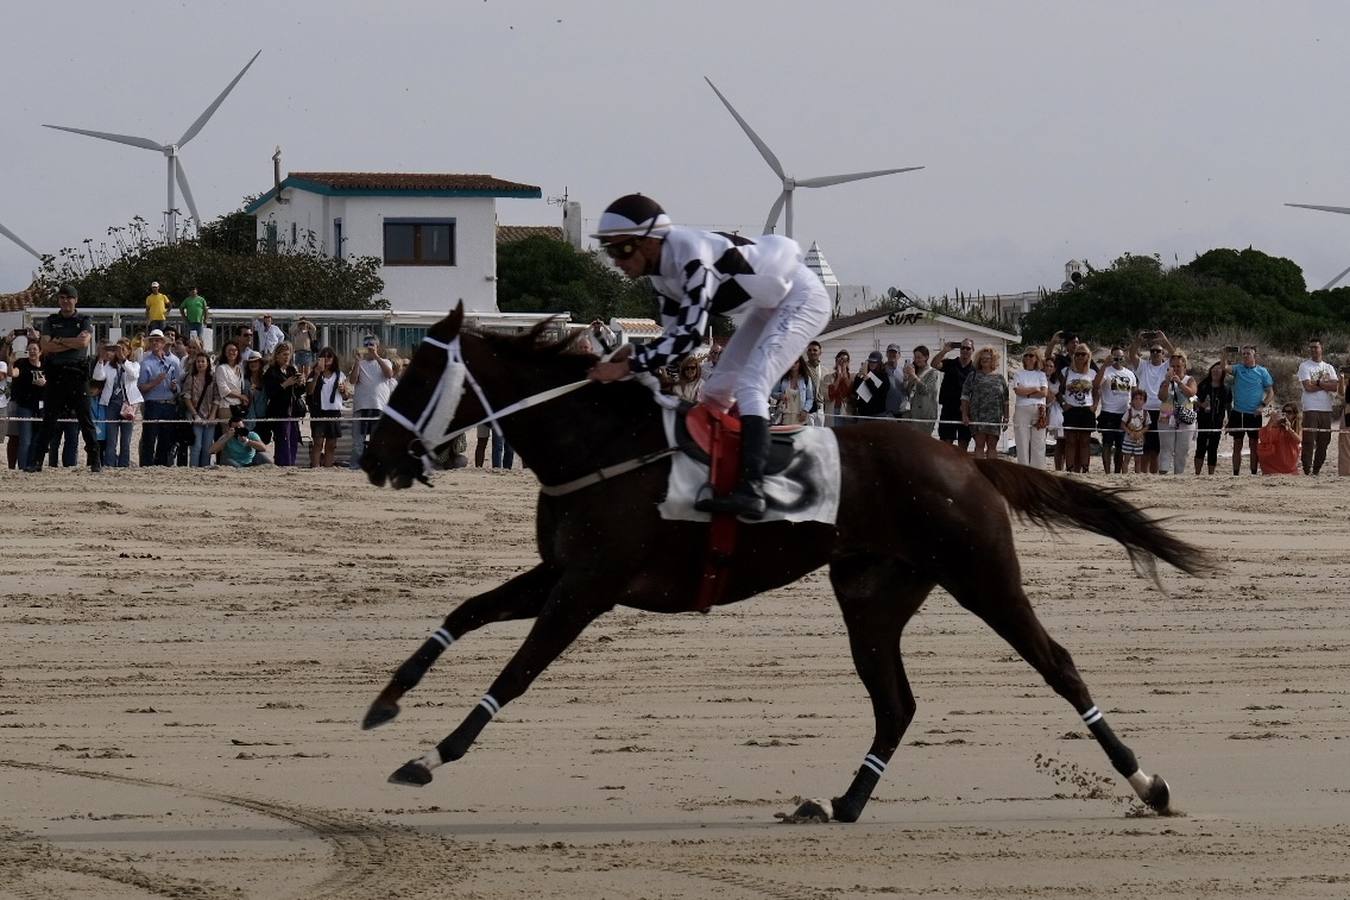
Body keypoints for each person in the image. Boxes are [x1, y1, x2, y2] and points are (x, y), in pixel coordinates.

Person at [586, 194, 832, 519]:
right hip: (769, 305)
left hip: (803, 298)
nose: (615, 260)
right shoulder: (662, 276)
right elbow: (678, 343)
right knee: (715, 392)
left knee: (752, 385)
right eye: (610, 250)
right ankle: (710, 473)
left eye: (621, 249)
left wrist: (629, 366)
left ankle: (752, 489)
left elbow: (688, 335)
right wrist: (636, 353)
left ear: (650, 241)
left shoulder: (691, 254)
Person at [26, 284, 100, 472]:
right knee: (49, 420)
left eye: (69, 298)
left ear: (76, 300)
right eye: (62, 298)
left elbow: (83, 342)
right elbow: (46, 346)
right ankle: (36, 461)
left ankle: (95, 460)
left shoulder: (84, 320)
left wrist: (58, 340)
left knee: (86, 420)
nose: (66, 301)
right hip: (57, 374)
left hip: (77, 374)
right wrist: (70, 343)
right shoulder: (51, 321)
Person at [1224, 345, 1275, 476]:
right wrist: (1223, 353)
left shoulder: (1262, 372)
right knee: (1237, 444)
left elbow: (1270, 392)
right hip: (1238, 412)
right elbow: (1224, 367)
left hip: (1254, 414)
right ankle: (1236, 473)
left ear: (1254, 356)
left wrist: (1263, 406)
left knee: (1253, 444)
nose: (1245, 356)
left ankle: (1253, 473)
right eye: (1244, 354)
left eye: (1248, 354)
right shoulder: (1238, 369)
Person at [1129, 331, 1173, 475]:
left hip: (1162, 409)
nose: (1155, 353)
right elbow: (1132, 354)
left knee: (1157, 448)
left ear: (1162, 353)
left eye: (1158, 351)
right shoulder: (1143, 366)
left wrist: (1165, 341)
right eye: (1153, 351)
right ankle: (1143, 474)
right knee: (1143, 447)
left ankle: (1154, 476)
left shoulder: (1166, 366)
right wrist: (1138, 341)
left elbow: (1177, 356)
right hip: (1144, 409)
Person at [348, 335, 395, 470]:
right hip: (361, 406)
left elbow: (389, 374)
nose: (369, 347)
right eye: (366, 344)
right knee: (358, 441)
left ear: (377, 346)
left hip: (379, 406)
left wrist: (376, 356)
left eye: (372, 344)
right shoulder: (360, 363)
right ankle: (355, 465)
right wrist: (357, 361)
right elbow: (352, 381)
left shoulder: (385, 361)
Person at [137, 329, 182, 466]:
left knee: (166, 438)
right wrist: (155, 382)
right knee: (149, 438)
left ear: (163, 343)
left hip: (169, 403)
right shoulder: (145, 363)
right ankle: (147, 465)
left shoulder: (174, 362)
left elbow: (179, 385)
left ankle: (161, 465)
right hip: (153, 404)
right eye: (153, 340)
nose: (155, 343)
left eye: (158, 340)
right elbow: (141, 387)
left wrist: (175, 388)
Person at [94, 339, 141, 468]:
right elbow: (98, 377)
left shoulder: (134, 364)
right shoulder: (109, 366)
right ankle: (110, 464)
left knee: (126, 439)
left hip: (128, 404)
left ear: (129, 351)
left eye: (123, 349)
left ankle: (124, 464)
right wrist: (100, 360)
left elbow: (133, 375)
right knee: (111, 438)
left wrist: (123, 360)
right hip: (112, 404)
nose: (120, 352)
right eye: (118, 350)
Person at [1297, 339, 1338, 475]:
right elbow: (1308, 387)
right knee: (1309, 440)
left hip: (1326, 408)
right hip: (1311, 407)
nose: (1313, 350)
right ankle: (1307, 468)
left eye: (1316, 347)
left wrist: (1318, 382)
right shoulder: (1305, 366)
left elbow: (1335, 386)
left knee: (1324, 441)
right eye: (1311, 348)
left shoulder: (1328, 367)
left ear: (1322, 348)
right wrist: (1325, 384)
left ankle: (1317, 469)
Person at [1093, 345, 1136, 474]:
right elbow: (1096, 385)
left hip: (1123, 413)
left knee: (1120, 444)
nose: (1118, 360)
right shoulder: (1107, 371)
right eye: (1115, 357)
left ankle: (1117, 471)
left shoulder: (1130, 374)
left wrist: (1133, 413)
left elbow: (1134, 394)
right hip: (1108, 412)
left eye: (1120, 358)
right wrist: (1104, 365)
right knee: (1107, 443)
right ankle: (1107, 471)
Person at [961, 346, 1008, 461]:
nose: (985, 360)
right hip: (978, 416)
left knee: (992, 446)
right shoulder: (973, 376)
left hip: (995, 417)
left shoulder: (1000, 378)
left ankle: (991, 472)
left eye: (988, 358)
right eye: (983, 358)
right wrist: (965, 415)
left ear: (993, 360)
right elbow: (965, 397)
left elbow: (1006, 400)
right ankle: (980, 472)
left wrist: (1006, 417)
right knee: (979, 445)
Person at [1156, 349, 1197, 475]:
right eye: (1173, 366)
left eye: (1178, 366)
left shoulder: (1190, 380)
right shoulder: (1165, 382)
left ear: (1184, 365)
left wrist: (1179, 383)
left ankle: (1179, 475)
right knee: (1165, 448)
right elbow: (1161, 397)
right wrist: (1168, 382)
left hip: (1184, 419)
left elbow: (1192, 393)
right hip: (1166, 418)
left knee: (1182, 450)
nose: (1176, 368)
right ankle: (1163, 473)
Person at [306, 346, 348, 468]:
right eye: (324, 356)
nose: (327, 358)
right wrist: (316, 375)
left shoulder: (340, 375)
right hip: (319, 411)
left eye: (330, 356)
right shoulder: (314, 373)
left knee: (331, 444)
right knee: (318, 442)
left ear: (334, 359)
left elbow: (346, 396)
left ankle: (328, 467)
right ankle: (315, 467)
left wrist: (344, 390)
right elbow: (309, 391)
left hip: (334, 411)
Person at [1059, 344, 1098, 474]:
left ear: (1088, 356)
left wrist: (1095, 405)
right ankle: (1069, 468)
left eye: (1083, 354)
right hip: (1071, 408)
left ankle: (1085, 469)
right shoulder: (1067, 371)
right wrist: (1063, 403)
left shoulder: (1092, 372)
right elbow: (1059, 389)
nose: (1080, 357)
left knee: (1085, 441)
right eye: (1077, 354)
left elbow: (1097, 390)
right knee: (1070, 441)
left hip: (1086, 408)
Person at [264, 343, 305, 466]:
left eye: (288, 354)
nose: (287, 357)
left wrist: (300, 383)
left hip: (293, 411)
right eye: (284, 354)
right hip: (279, 412)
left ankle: (291, 464)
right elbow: (271, 393)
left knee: (293, 440)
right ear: (276, 356)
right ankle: (283, 465)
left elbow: (298, 393)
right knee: (283, 440)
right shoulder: (271, 372)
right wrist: (285, 384)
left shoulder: (291, 370)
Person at [10, 341, 45, 470]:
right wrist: (11, 362)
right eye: (29, 349)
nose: (32, 351)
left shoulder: (46, 366)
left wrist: (45, 383)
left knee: (37, 439)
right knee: (25, 439)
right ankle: (23, 467)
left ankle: (33, 465)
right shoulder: (22, 364)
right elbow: (12, 374)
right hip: (25, 406)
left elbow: (53, 385)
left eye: (35, 349)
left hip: (41, 406)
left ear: (40, 352)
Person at [935, 339, 976, 450]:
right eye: (963, 347)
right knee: (946, 443)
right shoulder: (950, 363)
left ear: (972, 350)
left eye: (968, 348)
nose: (965, 350)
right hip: (948, 408)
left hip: (966, 410)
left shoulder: (975, 369)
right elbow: (934, 364)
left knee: (963, 443)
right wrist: (944, 351)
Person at [1012, 347, 1048, 468]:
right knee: (1022, 441)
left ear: (1036, 358)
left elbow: (1044, 393)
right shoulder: (1018, 373)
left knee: (1038, 442)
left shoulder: (1041, 375)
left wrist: (1026, 393)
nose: (1028, 358)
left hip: (1039, 409)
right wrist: (1034, 390)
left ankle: (1038, 470)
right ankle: (1023, 469)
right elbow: (1018, 391)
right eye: (1026, 355)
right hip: (1022, 409)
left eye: (1031, 356)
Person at [1193, 361, 1230, 475]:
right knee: (1200, 447)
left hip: (1217, 422)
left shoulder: (1226, 389)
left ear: (1223, 373)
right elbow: (1192, 399)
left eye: (1219, 369)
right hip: (1203, 421)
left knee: (1213, 448)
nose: (1216, 371)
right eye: (1214, 369)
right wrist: (1201, 404)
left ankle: (1211, 474)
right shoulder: (1203, 385)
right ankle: (1197, 473)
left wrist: (1229, 420)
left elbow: (1228, 406)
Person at [182, 351, 217, 467]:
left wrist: (212, 415)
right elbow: (186, 397)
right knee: (196, 446)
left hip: (209, 417)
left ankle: (205, 468)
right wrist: (195, 414)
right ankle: (194, 469)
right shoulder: (191, 378)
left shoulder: (212, 379)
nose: (200, 364)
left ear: (207, 363)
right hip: (195, 416)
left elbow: (216, 398)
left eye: (203, 361)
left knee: (207, 447)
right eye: (198, 361)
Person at [209, 410, 273, 467]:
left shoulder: (251, 435)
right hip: (233, 462)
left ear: (244, 426)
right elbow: (211, 450)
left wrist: (248, 441)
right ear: (230, 428)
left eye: (240, 427)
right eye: (236, 428)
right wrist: (227, 437)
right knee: (229, 462)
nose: (238, 430)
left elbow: (263, 448)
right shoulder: (227, 436)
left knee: (263, 458)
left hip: (249, 462)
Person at [903, 345, 940, 435]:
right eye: (915, 357)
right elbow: (908, 392)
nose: (917, 360)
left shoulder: (932, 372)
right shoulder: (916, 371)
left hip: (925, 414)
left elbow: (926, 390)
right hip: (913, 412)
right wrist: (906, 378)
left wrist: (914, 377)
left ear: (926, 357)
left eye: (919, 357)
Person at [1258, 404, 1301, 475]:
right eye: (1284, 412)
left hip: (1289, 465)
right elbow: (1264, 438)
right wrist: (1272, 420)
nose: (1286, 414)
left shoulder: (1297, 427)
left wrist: (1289, 429)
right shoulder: (1277, 425)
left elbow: (1298, 440)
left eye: (1289, 412)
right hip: (1272, 466)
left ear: (1294, 415)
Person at [771, 356, 814, 425]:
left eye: (796, 362)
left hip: (800, 415)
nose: (793, 364)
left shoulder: (806, 379)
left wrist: (805, 410)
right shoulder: (782, 378)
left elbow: (810, 398)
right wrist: (781, 395)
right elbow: (773, 393)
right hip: (785, 415)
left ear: (800, 363)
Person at [240, 349, 270, 442]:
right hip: (250, 419)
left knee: (264, 443)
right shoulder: (244, 381)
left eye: (256, 361)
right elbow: (243, 402)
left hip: (264, 418)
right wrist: (249, 395)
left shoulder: (266, 380)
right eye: (251, 362)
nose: (253, 364)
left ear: (260, 363)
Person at [852, 351, 890, 418]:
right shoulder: (864, 374)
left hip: (878, 414)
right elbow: (855, 391)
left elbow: (878, 395)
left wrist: (867, 379)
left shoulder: (884, 377)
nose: (872, 364)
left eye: (874, 362)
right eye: (870, 361)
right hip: (863, 413)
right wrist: (859, 375)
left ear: (879, 363)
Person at [1120, 388, 1150, 474]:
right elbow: (1122, 424)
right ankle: (1124, 475)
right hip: (1128, 439)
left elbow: (1147, 425)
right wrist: (1129, 432)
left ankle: (1137, 475)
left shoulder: (1145, 413)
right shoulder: (1129, 412)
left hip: (1139, 440)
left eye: (1141, 399)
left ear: (1144, 401)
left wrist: (1141, 433)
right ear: (1132, 400)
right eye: (1136, 399)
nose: (1138, 401)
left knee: (1138, 459)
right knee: (1127, 458)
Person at [213, 342, 246, 420]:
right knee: (227, 431)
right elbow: (224, 391)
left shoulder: (240, 368)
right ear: (225, 353)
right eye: (229, 350)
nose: (232, 352)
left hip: (238, 406)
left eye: (234, 350)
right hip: (226, 406)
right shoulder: (221, 368)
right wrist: (241, 397)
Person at [821, 350, 854, 425]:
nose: (842, 363)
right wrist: (838, 378)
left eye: (845, 360)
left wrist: (845, 376)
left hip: (847, 411)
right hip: (833, 410)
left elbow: (852, 392)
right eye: (839, 360)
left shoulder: (852, 377)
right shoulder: (828, 377)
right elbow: (828, 395)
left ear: (848, 363)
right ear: (836, 362)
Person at [1044, 356, 1066, 471]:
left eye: (1051, 366)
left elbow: (1056, 395)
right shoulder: (1039, 377)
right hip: (1042, 408)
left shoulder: (1057, 381)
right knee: (1041, 438)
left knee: (1060, 440)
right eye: (1046, 365)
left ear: (1054, 369)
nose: (1048, 368)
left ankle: (1059, 468)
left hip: (1055, 409)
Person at [882, 344, 908, 420]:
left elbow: (907, 390)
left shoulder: (904, 371)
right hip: (886, 412)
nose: (892, 355)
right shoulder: (881, 370)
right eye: (890, 352)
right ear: (886, 354)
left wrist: (906, 379)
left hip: (901, 411)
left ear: (899, 355)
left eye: (895, 353)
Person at [803, 340, 824, 426]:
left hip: (820, 407)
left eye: (815, 350)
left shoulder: (824, 370)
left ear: (820, 352)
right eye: (810, 350)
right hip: (807, 407)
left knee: (820, 434)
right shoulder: (802, 369)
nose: (812, 352)